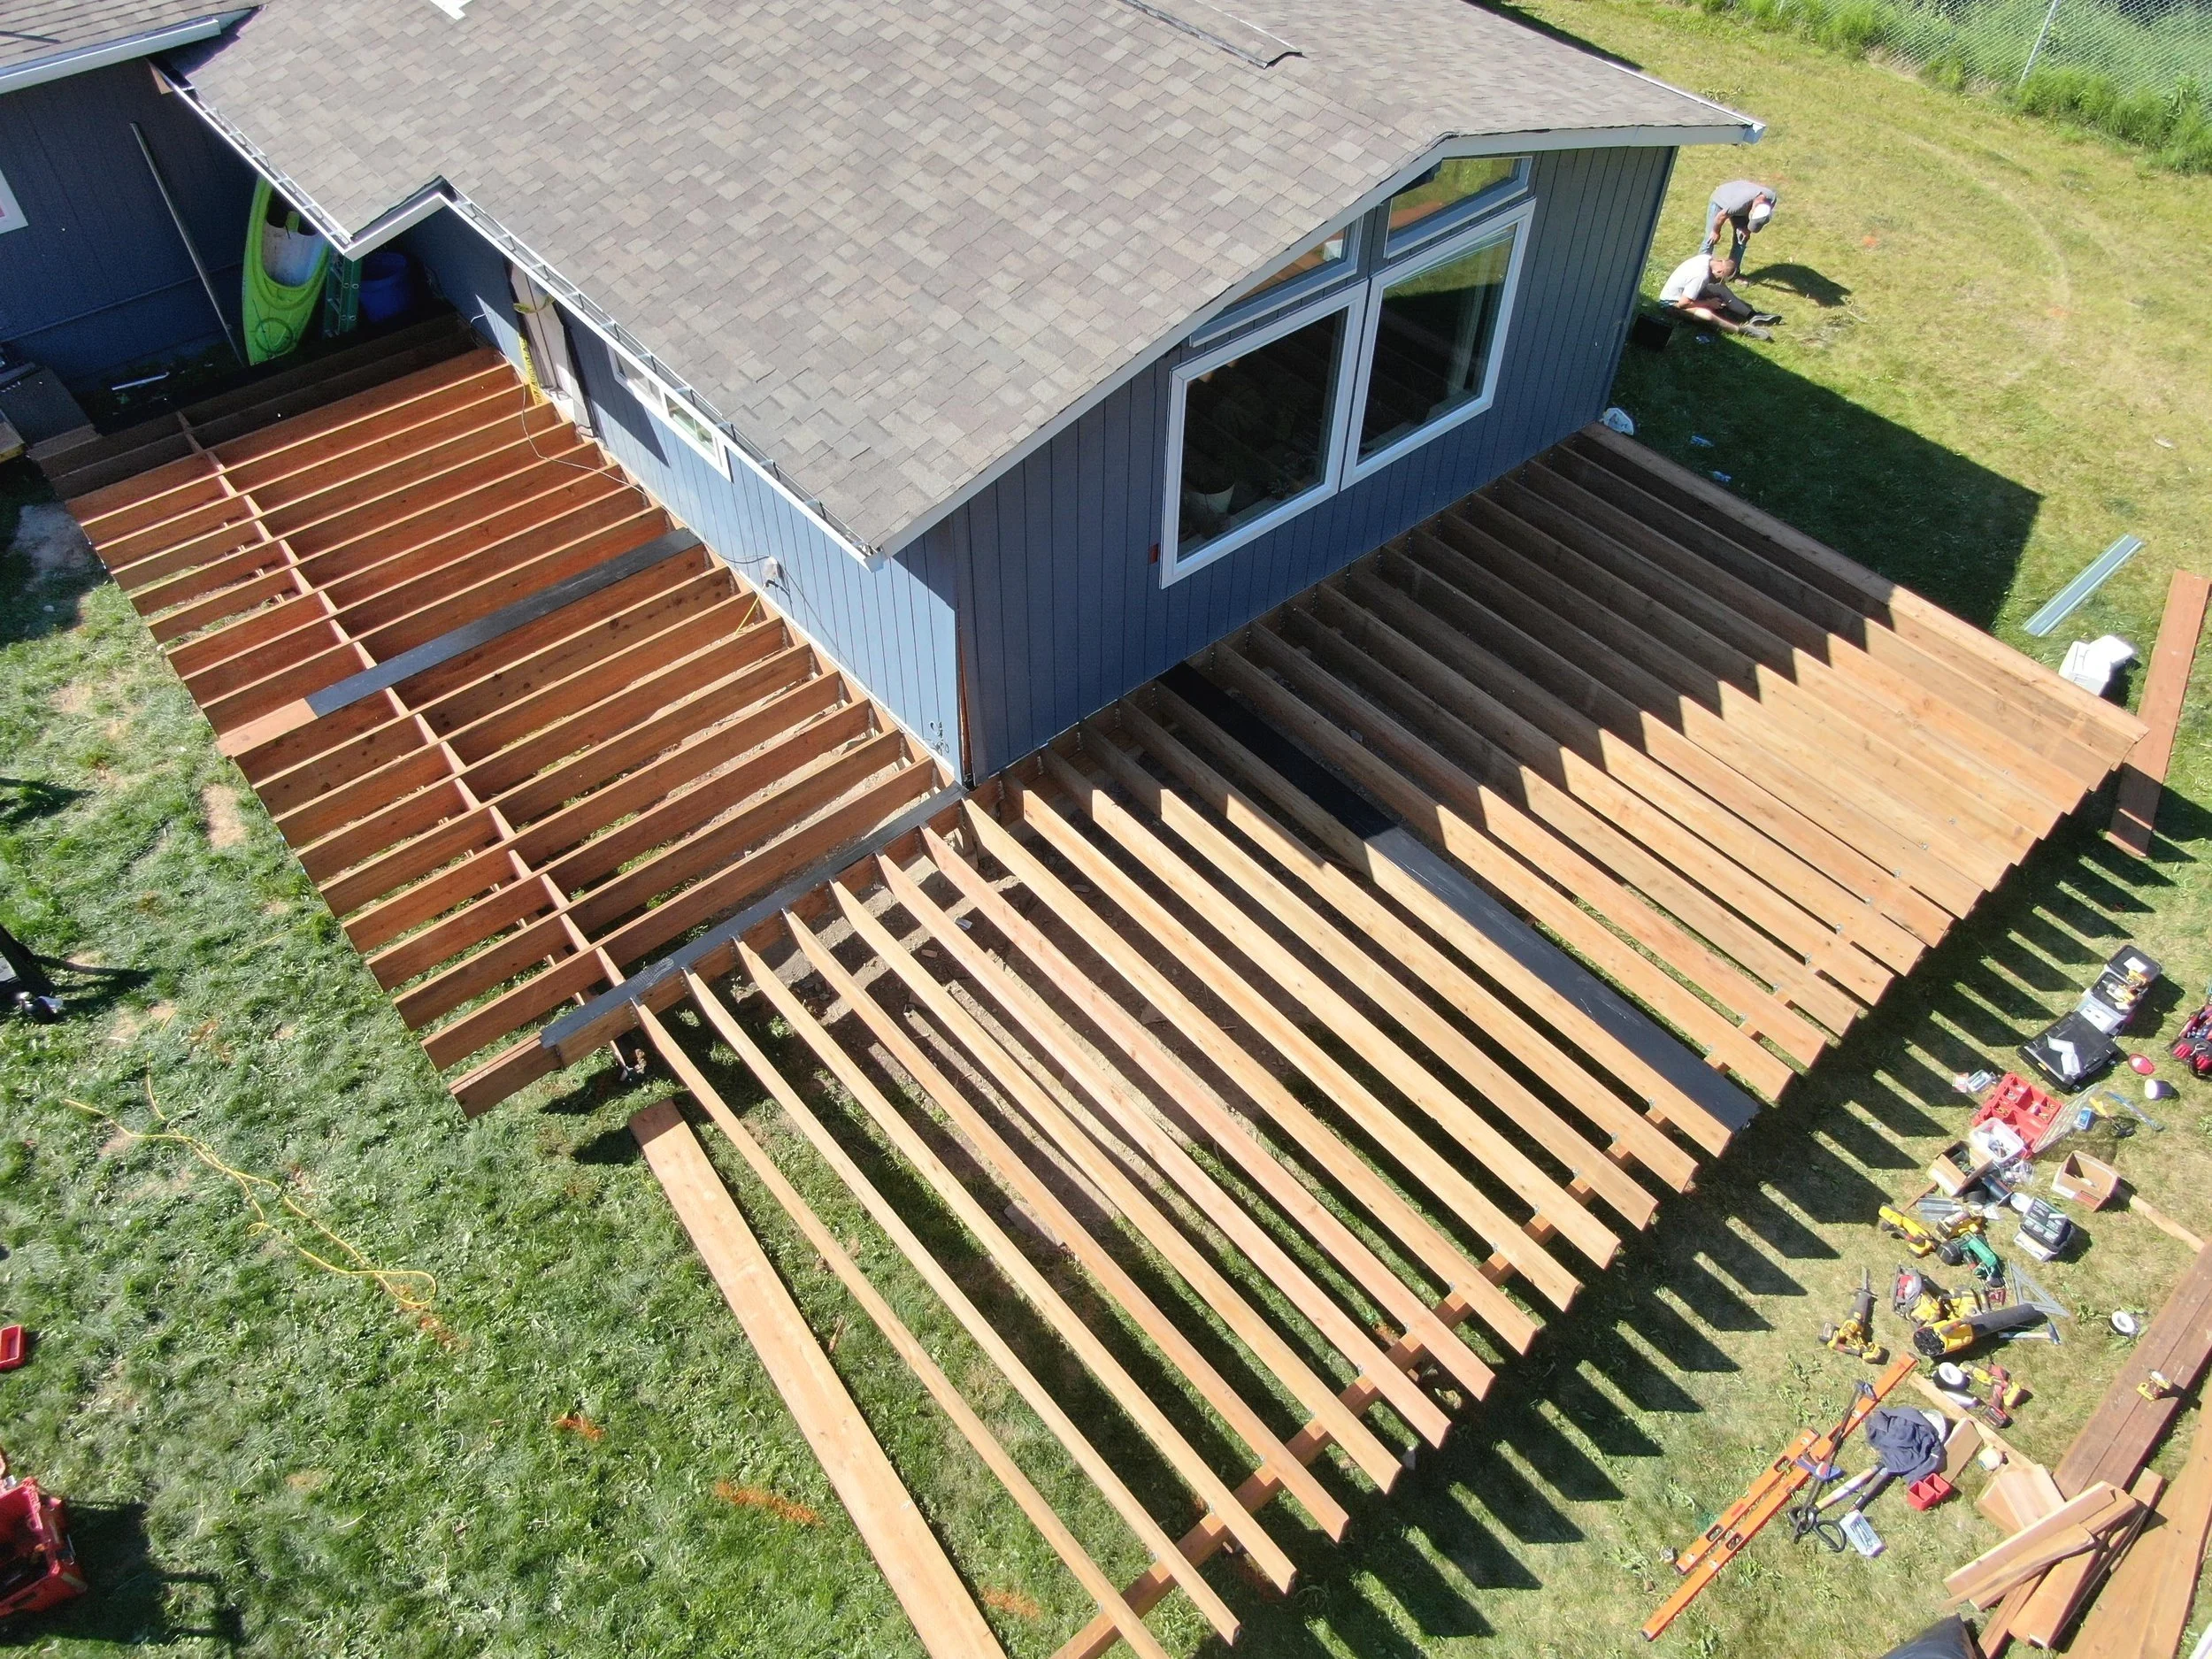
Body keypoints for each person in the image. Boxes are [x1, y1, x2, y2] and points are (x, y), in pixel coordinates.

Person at [1658, 251, 1778, 338]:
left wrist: (1710, 297)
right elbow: (1683, 304)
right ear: (1719, 271)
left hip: (1685, 294)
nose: (1717, 281)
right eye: (1720, 279)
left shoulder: (1707, 258)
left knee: (1721, 289)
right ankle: (1741, 330)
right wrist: (1708, 303)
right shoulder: (1701, 276)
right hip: (1671, 304)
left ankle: (1752, 315)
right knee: (1707, 315)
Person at [1701, 180, 1779, 264]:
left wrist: (1747, 229)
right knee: (1710, 239)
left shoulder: (1771, 199)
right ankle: (1700, 266)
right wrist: (1715, 232)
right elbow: (1721, 216)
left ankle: (1733, 269)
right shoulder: (1739, 204)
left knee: (1742, 238)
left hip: (1741, 206)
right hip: (1721, 200)